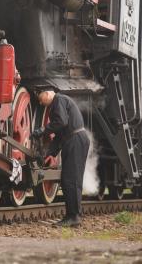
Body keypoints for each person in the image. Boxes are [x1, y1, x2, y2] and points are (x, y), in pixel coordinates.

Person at [32, 89, 90, 227]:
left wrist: (43, 130)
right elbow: (59, 135)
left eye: (41, 99)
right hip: (71, 140)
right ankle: (72, 215)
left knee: (72, 179)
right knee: (68, 179)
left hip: (75, 140)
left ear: (47, 93)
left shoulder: (59, 100)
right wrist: (48, 154)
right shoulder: (58, 104)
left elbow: (61, 122)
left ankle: (74, 216)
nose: (40, 103)